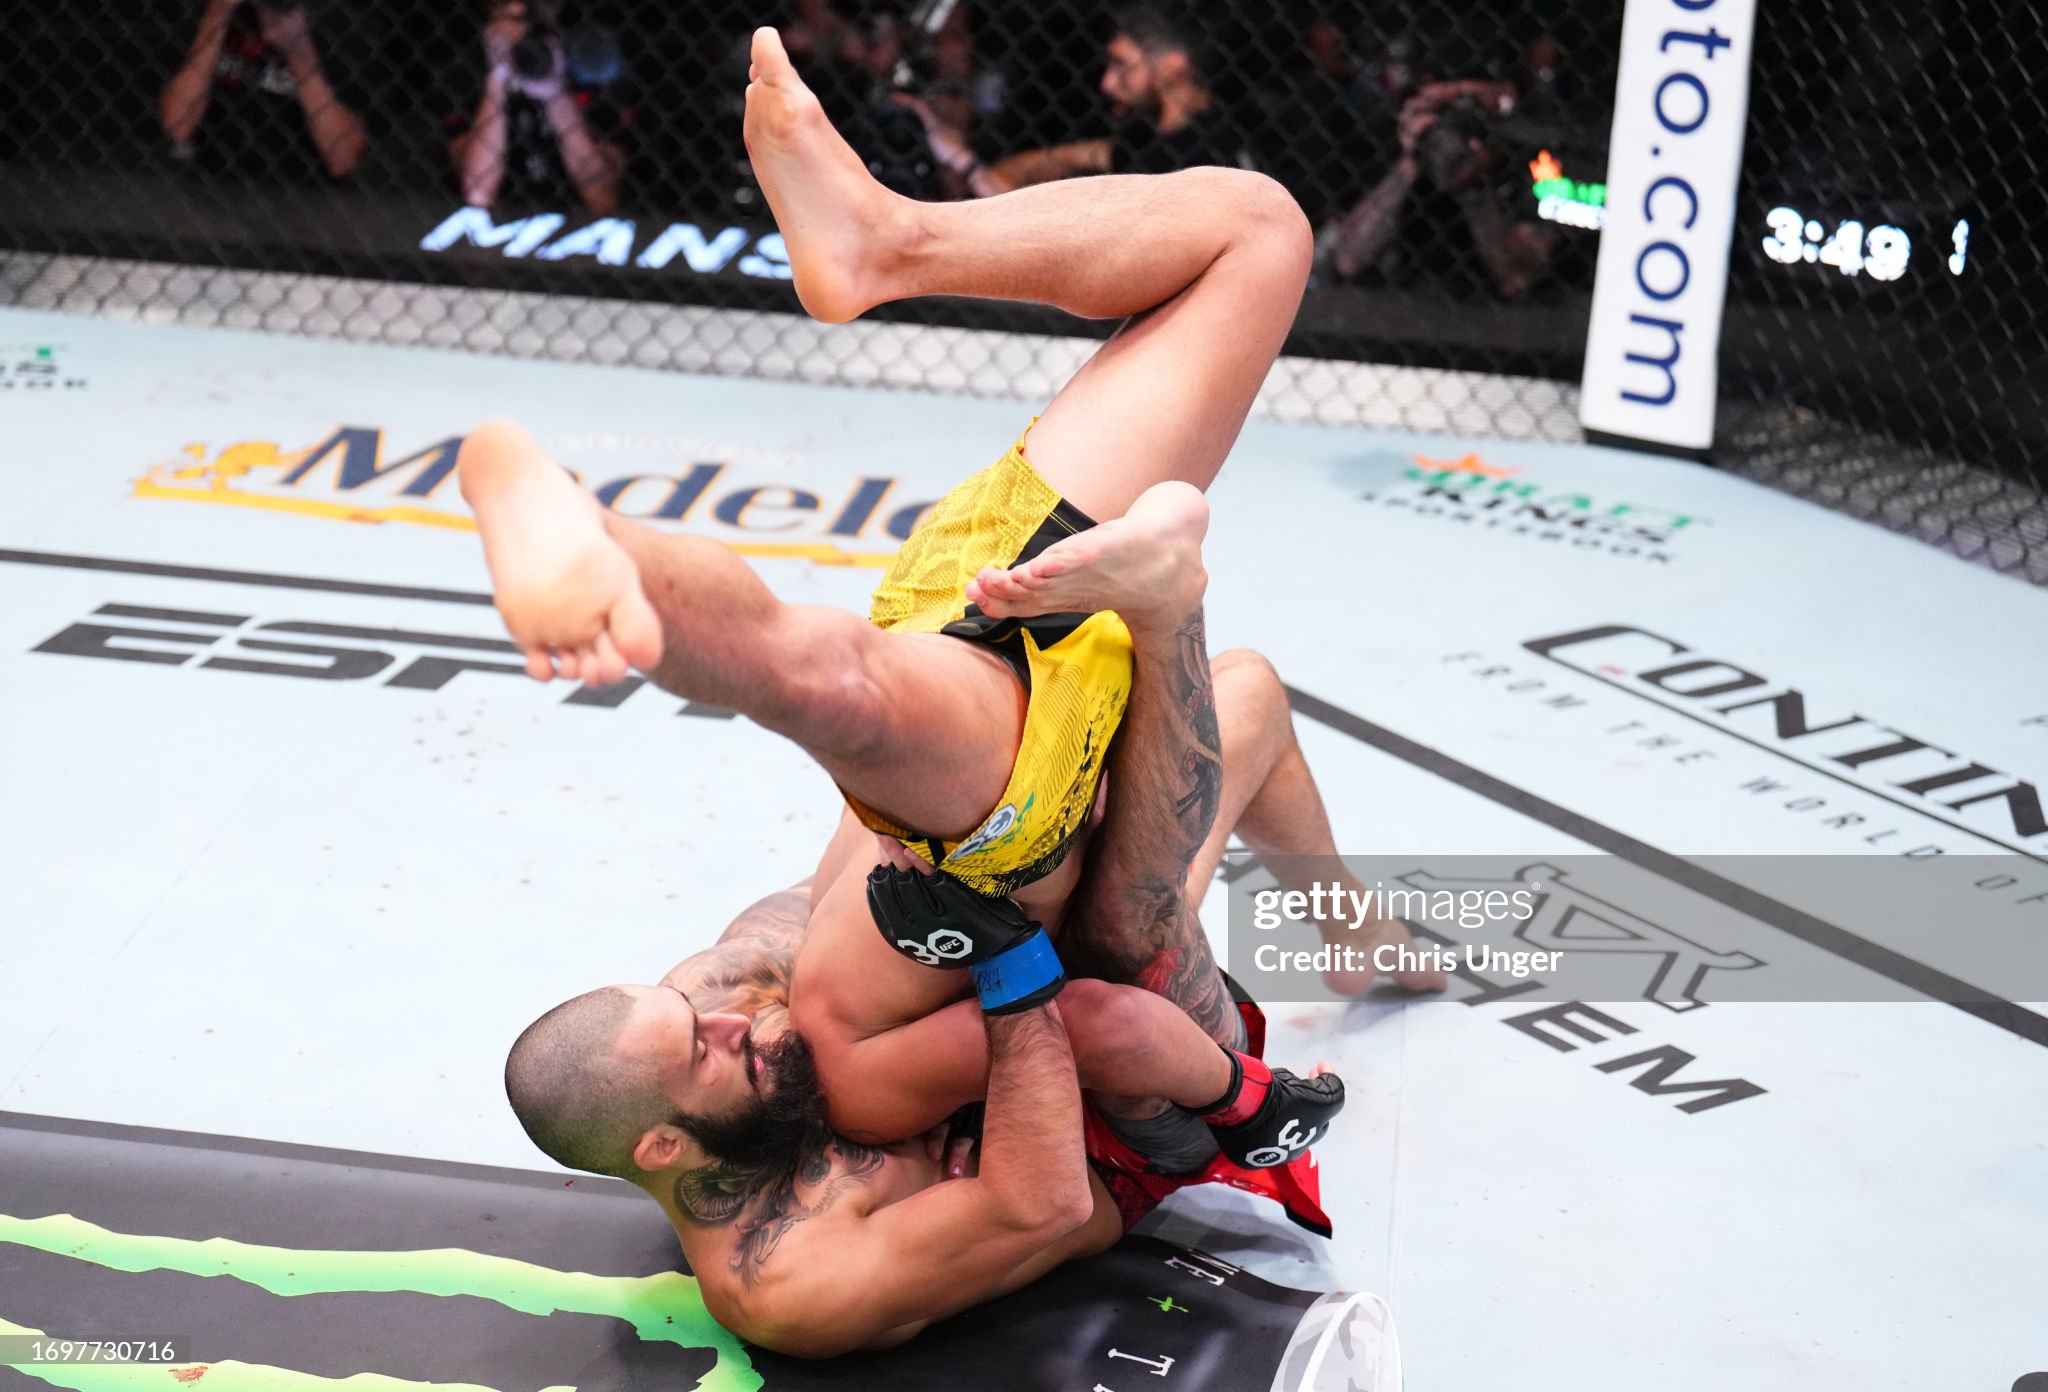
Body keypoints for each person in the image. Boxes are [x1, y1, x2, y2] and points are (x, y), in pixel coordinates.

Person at [892, 3, 1248, 198]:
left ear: (1172, 67)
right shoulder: (1147, 138)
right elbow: (1068, 158)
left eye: (1122, 65)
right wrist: (992, 173)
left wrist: (964, 162)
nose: (1108, 83)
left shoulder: (1200, 158)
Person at [445, 0, 630, 216]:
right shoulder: (465, 67)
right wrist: (497, 77)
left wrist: (555, 95)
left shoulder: (591, 59)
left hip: (575, 225)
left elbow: (602, 198)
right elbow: (478, 193)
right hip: (494, 227)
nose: (522, 8)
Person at [158, 0, 373, 181]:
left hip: (307, 194)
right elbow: (178, 127)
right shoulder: (205, 10)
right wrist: (216, 18)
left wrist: (299, 51)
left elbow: (342, 159)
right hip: (211, 184)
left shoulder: (337, 18)